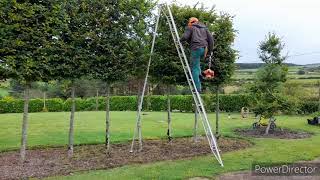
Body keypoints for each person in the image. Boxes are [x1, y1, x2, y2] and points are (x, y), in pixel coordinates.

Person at [180, 17, 214, 93]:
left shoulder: (190, 27)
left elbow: (185, 37)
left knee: (194, 68)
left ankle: (197, 88)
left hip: (196, 48)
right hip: (204, 50)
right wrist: (209, 52)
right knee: (197, 64)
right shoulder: (205, 28)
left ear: (191, 22)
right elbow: (211, 40)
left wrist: (179, 40)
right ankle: (199, 75)